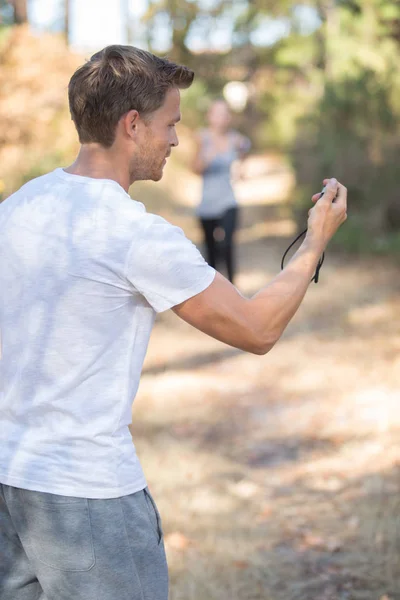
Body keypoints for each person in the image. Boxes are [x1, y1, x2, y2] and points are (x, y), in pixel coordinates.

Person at [0, 45, 347, 600]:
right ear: (132, 125)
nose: (177, 140)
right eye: (171, 123)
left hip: (10, 485)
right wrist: (315, 241)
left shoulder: (17, 207)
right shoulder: (131, 233)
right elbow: (257, 329)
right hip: (89, 497)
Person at [192, 99, 250, 284]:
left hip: (228, 201)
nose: (221, 118)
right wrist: (207, 158)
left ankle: (233, 288)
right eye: (217, 113)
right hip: (207, 204)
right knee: (211, 254)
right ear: (209, 116)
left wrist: (241, 165)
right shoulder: (202, 138)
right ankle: (215, 293)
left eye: (225, 114)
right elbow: (194, 168)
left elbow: (245, 148)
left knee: (227, 245)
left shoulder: (235, 138)